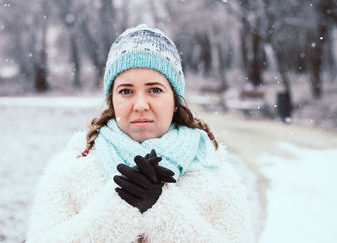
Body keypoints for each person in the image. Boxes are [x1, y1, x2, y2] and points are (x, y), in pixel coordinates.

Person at [26, 24, 254, 242]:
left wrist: (161, 208)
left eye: (154, 90)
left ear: (175, 100)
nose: (140, 104)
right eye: (126, 91)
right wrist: (119, 206)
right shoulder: (71, 170)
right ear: (112, 100)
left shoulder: (214, 173)